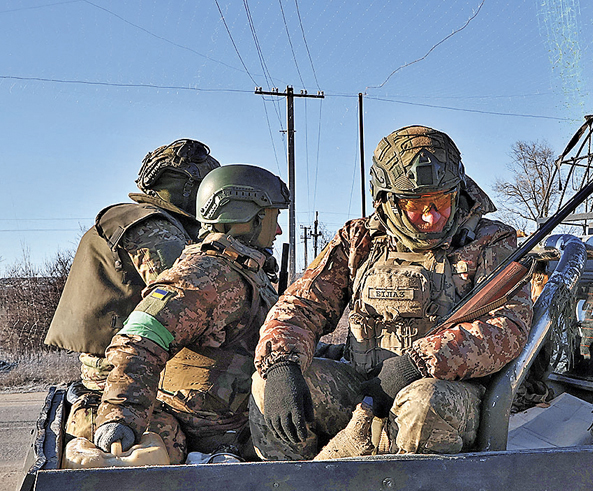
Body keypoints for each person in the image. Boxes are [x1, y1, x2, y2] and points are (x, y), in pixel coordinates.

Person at [252, 125, 533, 460]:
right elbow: (301, 305)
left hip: (448, 393)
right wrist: (283, 363)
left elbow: (506, 327)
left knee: (423, 403)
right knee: (268, 384)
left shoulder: (490, 241)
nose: (431, 216)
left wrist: (416, 364)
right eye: (416, 205)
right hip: (365, 391)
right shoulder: (360, 239)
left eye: (442, 201)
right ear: (386, 200)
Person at [90, 164, 289, 463]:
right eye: (273, 217)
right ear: (247, 218)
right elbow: (139, 338)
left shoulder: (243, 270)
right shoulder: (204, 276)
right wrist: (122, 414)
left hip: (241, 420)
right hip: (215, 432)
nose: (278, 230)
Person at [45, 139, 220, 442]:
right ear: (191, 189)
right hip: (127, 372)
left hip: (122, 365)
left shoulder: (141, 221)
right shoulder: (153, 228)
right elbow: (186, 300)